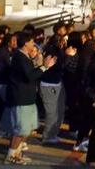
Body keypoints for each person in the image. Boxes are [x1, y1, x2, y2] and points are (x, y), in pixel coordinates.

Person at [5, 31, 57, 165]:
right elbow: (30, 75)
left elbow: (30, 74)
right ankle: (11, 155)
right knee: (21, 130)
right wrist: (44, 66)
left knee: (26, 129)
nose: (33, 43)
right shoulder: (20, 57)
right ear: (26, 43)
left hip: (26, 98)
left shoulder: (24, 56)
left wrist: (41, 66)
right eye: (31, 41)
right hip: (21, 98)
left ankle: (17, 153)